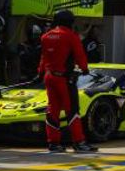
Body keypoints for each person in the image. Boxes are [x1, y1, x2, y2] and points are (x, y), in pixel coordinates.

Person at [38, 10, 98, 153]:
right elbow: (80, 55)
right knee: (72, 110)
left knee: (53, 109)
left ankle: (53, 143)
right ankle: (79, 142)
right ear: (69, 21)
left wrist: (40, 72)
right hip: (64, 79)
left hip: (49, 77)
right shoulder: (71, 36)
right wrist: (84, 69)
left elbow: (43, 57)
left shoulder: (45, 36)